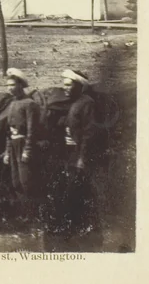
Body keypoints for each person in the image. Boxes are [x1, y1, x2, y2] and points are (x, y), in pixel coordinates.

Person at [43, 69, 107, 251]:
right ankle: (77, 231)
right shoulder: (74, 103)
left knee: (79, 192)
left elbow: (89, 134)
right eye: (64, 84)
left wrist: (82, 159)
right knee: (74, 192)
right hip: (71, 155)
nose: (65, 88)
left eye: (68, 85)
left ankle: (86, 233)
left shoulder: (87, 104)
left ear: (79, 86)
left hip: (80, 156)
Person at [2, 68, 42, 225]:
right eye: (8, 85)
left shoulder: (29, 104)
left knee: (27, 182)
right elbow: (9, 130)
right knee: (16, 182)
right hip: (13, 145)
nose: (10, 88)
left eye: (12, 85)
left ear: (20, 85)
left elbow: (32, 130)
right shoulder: (12, 104)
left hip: (24, 145)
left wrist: (28, 150)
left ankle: (34, 217)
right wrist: (7, 152)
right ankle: (24, 215)